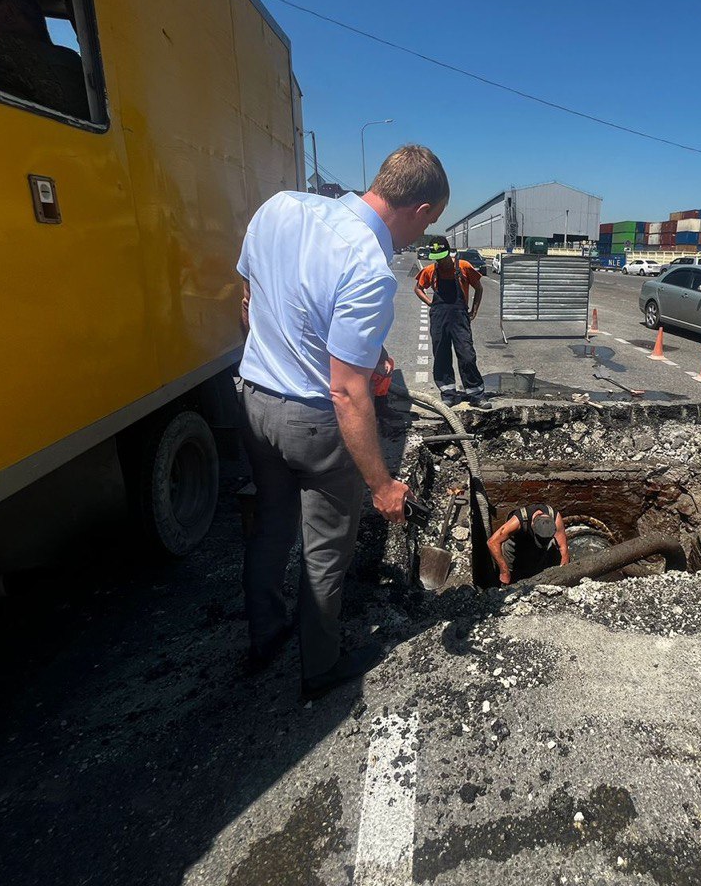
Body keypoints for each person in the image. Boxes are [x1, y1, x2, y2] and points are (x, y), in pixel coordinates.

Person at [237, 145, 448, 699]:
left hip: (255, 399)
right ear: (421, 209)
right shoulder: (370, 267)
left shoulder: (279, 207)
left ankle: (265, 638)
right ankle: (321, 666)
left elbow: (251, 300)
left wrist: (288, 356)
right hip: (313, 422)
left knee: (270, 528)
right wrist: (382, 485)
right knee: (325, 548)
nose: (416, 241)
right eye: (428, 224)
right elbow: (347, 391)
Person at [414, 239, 488, 407]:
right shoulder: (430, 271)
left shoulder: (463, 267)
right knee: (441, 355)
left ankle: (476, 393)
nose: (439, 261)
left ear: (449, 253)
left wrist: (474, 311)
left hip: (459, 317)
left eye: (442, 257)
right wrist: (430, 302)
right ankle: (448, 393)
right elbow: (418, 288)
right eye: (436, 258)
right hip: (439, 317)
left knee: (467, 354)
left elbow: (479, 288)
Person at [486, 504, 569, 585]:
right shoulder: (518, 521)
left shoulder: (555, 518)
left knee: (536, 574)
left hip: (536, 552)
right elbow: (492, 542)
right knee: (512, 580)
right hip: (514, 551)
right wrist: (504, 571)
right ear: (532, 525)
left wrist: (564, 574)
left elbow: (563, 548)